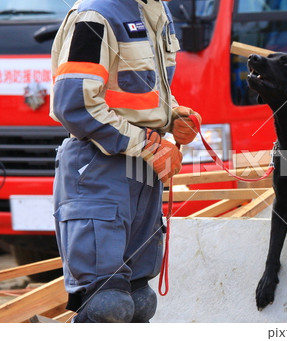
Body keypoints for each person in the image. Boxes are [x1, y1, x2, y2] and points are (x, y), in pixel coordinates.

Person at [50, 0, 201, 323]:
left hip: (141, 172)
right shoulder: (96, 15)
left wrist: (172, 117)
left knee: (139, 300)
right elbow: (75, 105)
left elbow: (143, 91)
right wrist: (148, 144)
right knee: (107, 305)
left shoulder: (154, 10)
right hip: (99, 169)